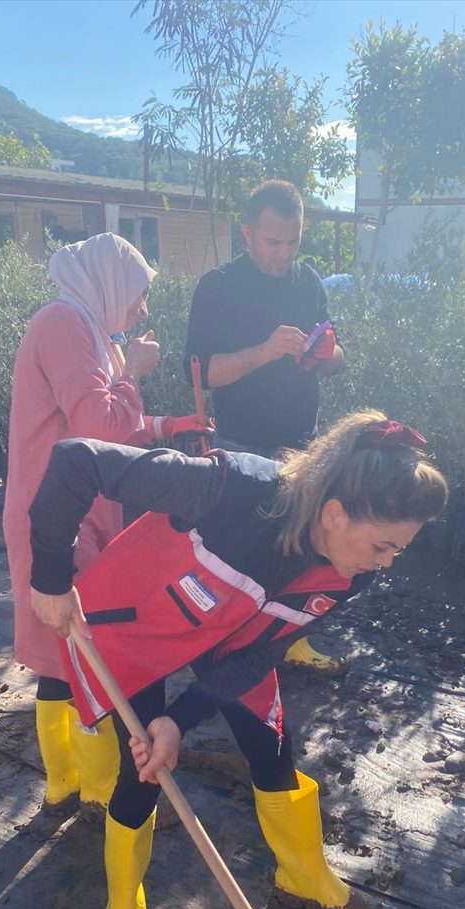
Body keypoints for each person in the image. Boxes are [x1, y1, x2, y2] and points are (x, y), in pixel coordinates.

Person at [28, 410, 448, 909]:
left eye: (397, 551)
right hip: (139, 625)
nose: (385, 564)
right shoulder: (226, 490)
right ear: (334, 514)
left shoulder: (349, 573)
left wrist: (182, 718)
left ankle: (302, 876)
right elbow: (76, 459)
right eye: (382, 545)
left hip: (233, 637)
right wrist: (49, 577)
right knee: (144, 770)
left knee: (273, 752)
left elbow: (259, 656)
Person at [3, 232, 206, 821]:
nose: (143, 309)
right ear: (112, 283)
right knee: (86, 652)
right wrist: (132, 367)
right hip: (58, 518)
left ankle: (65, 784)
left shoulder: (84, 328)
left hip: (67, 510)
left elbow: (117, 425)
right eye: (140, 294)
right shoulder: (65, 323)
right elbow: (103, 424)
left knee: (60, 650)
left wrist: (171, 426)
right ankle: (91, 789)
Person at [184, 179, 345, 673]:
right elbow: (205, 372)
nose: (283, 253)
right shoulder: (219, 287)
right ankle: (227, 645)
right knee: (240, 552)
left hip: (302, 444)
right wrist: (264, 350)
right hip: (240, 444)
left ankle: (287, 638)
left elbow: (337, 358)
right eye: (273, 241)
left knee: (299, 548)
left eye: (293, 241)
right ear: (247, 233)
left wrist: (327, 355)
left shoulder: (309, 283)